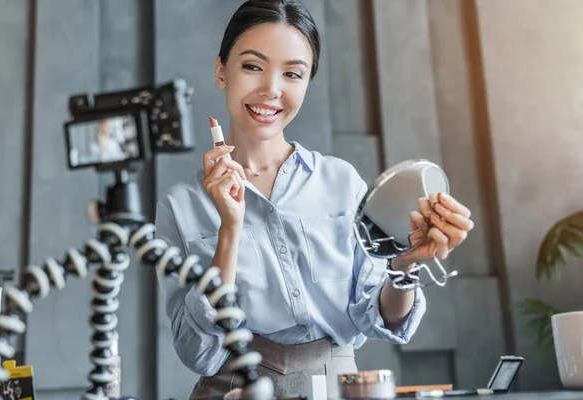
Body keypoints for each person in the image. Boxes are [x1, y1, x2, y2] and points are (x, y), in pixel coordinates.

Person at [154, 0, 475, 398]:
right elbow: (195, 351)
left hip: (339, 388)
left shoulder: (341, 181)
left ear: (307, 83)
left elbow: (381, 319)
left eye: (292, 73)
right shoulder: (180, 204)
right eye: (253, 66)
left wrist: (404, 265)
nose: (272, 89)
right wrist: (229, 230)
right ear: (222, 70)